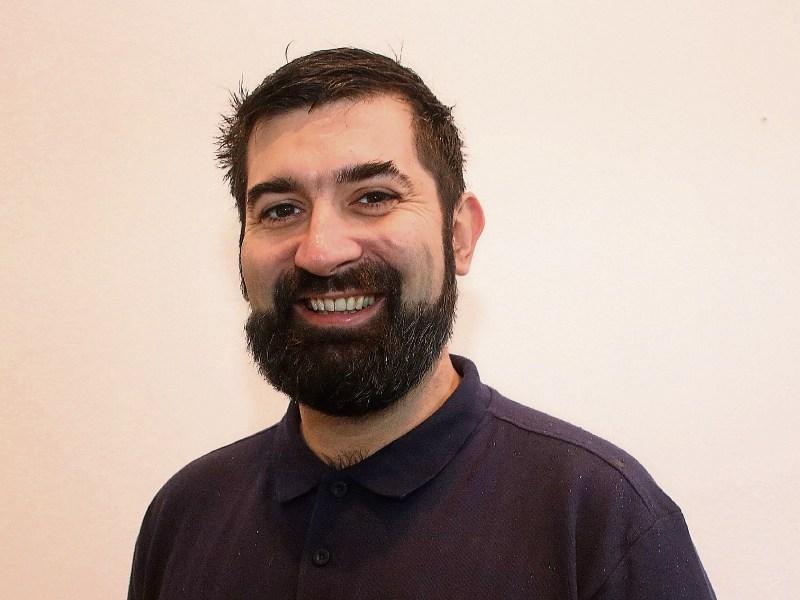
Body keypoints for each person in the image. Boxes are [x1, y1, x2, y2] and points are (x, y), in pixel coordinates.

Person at [128, 48, 716, 599]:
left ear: (458, 235)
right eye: (281, 210)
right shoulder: (183, 517)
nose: (321, 251)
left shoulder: (601, 519)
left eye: (373, 197)